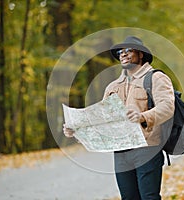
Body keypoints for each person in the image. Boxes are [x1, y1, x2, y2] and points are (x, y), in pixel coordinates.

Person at [63, 36, 175, 200]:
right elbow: (102, 120)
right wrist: (76, 129)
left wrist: (142, 116)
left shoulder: (156, 78)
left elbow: (167, 107)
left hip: (148, 148)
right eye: (121, 52)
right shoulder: (113, 86)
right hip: (121, 151)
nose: (123, 54)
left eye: (129, 50)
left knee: (149, 197)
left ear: (141, 54)